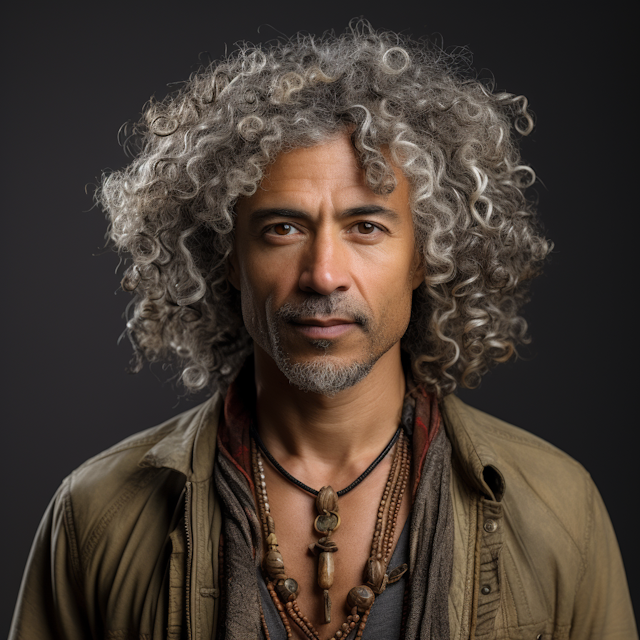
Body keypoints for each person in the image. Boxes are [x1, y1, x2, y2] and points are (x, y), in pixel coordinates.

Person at [9, 23, 637, 640]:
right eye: (282, 228)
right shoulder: (97, 515)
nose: (323, 274)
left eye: (367, 227)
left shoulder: (558, 508)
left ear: (426, 256)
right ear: (226, 256)